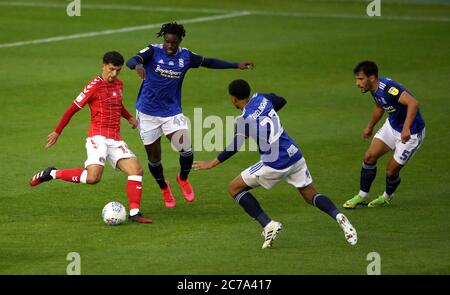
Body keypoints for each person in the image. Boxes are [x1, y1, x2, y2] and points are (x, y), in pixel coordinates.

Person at [193, 79, 357, 249]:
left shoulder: (244, 121)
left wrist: (211, 163)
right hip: (294, 155)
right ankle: (339, 216)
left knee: (234, 188)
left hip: (275, 164)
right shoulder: (262, 98)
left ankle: (268, 224)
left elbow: (235, 146)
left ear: (233, 98)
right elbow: (281, 100)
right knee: (311, 195)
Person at [126, 22, 254, 208]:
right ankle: (164, 187)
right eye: (167, 42)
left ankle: (182, 178)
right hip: (147, 113)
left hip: (171, 112)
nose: (170, 46)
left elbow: (209, 62)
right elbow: (132, 60)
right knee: (154, 159)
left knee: (186, 151)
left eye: (174, 43)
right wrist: (137, 65)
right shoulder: (152, 51)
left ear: (180, 41)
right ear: (164, 40)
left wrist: (236, 65)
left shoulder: (186, 56)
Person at [29, 51, 152, 223]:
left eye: (118, 70)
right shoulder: (94, 86)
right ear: (103, 66)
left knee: (136, 170)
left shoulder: (119, 85)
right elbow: (72, 109)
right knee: (93, 178)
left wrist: (129, 117)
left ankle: (134, 212)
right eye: (111, 69)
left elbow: (117, 105)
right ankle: (52, 174)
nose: (114, 74)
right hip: (98, 136)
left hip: (115, 138)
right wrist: (57, 131)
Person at [343, 61, 426, 209]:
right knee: (369, 156)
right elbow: (379, 106)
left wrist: (406, 128)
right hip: (392, 126)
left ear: (372, 78)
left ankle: (386, 197)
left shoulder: (389, 88)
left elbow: (413, 103)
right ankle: (362, 196)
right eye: (357, 79)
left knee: (391, 171)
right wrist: (370, 127)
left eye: (361, 79)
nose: (357, 83)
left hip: (411, 133)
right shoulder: (374, 90)